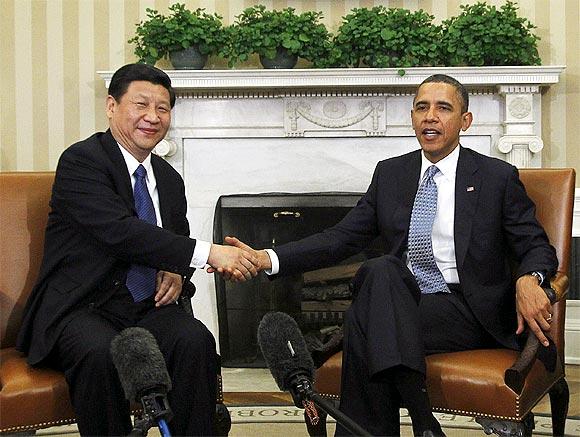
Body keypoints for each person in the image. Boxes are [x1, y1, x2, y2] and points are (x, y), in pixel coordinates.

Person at [223, 74, 558, 436]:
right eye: (421, 107)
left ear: (465, 121)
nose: (430, 116)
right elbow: (341, 237)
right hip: (404, 300)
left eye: (443, 108)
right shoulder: (392, 174)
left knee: (364, 324)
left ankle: (413, 419)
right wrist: (266, 258)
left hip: (465, 308)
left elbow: (535, 244)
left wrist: (531, 278)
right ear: (412, 117)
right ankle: (423, 421)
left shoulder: (496, 176)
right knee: (382, 272)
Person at [16, 63, 258, 436]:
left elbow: (174, 239)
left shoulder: (169, 178)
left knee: (195, 341)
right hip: (82, 306)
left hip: (146, 306)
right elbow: (119, 232)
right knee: (101, 352)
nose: (152, 117)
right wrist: (209, 253)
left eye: (163, 109)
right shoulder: (82, 162)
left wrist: (178, 270)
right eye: (141, 104)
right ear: (111, 106)